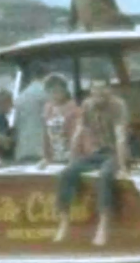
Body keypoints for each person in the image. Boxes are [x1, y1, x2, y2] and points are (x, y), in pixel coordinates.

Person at [54, 72, 131, 246]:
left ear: (109, 91)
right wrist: (72, 159)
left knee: (105, 175)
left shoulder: (118, 105)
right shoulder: (88, 105)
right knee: (66, 173)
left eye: (103, 90)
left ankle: (103, 225)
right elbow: (78, 132)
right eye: (96, 90)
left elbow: (120, 137)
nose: (99, 94)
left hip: (116, 152)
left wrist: (123, 167)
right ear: (91, 92)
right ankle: (64, 222)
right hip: (97, 152)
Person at [39, 74, 80, 167]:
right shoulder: (48, 108)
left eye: (57, 91)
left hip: (71, 156)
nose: (54, 94)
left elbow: (76, 136)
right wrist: (46, 157)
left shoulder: (73, 108)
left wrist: (74, 157)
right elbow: (45, 135)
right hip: (53, 158)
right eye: (51, 91)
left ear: (65, 91)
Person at [13, 63, 48, 162]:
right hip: (42, 148)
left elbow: (16, 123)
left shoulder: (21, 96)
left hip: (23, 148)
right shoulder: (46, 93)